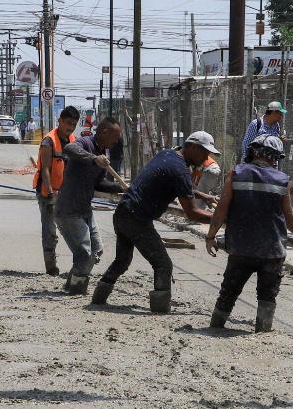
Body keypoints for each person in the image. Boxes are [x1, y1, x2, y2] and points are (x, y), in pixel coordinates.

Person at [91, 131, 217, 313]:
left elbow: (176, 182)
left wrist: (201, 194)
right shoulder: (180, 169)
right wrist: (221, 219)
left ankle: (98, 298)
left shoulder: (167, 154)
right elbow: (192, 212)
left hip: (123, 213)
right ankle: (160, 309)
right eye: (205, 152)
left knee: (122, 261)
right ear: (192, 147)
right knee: (163, 264)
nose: (206, 158)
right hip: (137, 218)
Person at [205, 134, 293, 333]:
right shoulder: (282, 181)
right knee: (267, 296)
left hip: (240, 248)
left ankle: (216, 326)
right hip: (272, 251)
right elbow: (289, 217)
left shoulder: (235, 174)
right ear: (276, 157)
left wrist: (210, 236)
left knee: (228, 292)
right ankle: (263, 330)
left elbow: (221, 211)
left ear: (252, 152)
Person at [56, 116, 125, 295]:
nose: (116, 141)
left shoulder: (105, 155)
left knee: (96, 250)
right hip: (69, 210)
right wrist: (94, 159)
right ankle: (75, 289)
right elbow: (69, 148)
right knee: (85, 254)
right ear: (104, 132)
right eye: (115, 136)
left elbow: (99, 183)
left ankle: (71, 283)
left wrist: (121, 188)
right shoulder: (86, 143)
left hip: (85, 210)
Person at [33, 106, 81, 275]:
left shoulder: (74, 141)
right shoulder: (48, 141)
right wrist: (52, 195)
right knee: (50, 231)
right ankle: (50, 266)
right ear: (59, 121)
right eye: (68, 123)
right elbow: (45, 169)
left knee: (73, 229)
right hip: (48, 193)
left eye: (74, 124)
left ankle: (78, 263)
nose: (70, 127)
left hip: (66, 193)